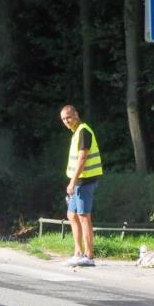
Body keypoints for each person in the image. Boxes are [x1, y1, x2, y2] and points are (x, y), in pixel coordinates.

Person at [60, 105, 102, 267]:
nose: (66, 121)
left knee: (84, 216)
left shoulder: (84, 131)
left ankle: (89, 255)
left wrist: (72, 181)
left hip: (85, 180)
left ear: (76, 115)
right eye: (64, 119)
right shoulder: (77, 132)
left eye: (68, 117)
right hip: (78, 181)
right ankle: (78, 253)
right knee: (72, 215)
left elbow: (83, 158)